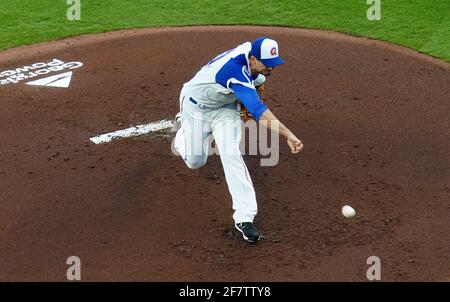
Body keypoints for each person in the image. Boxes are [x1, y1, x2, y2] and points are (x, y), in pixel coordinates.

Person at [174, 37, 304, 243]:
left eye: (273, 64)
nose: (271, 68)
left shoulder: (249, 53)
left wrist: (257, 78)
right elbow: (258, 111)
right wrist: (288, 134)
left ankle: (244, 217)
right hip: (196, 107)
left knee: (231, 153)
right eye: (266, 64)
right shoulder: (234, 70)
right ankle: (183, 129)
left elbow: (256, 78)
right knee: (195, 161)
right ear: (252, 58)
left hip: (225, 109)